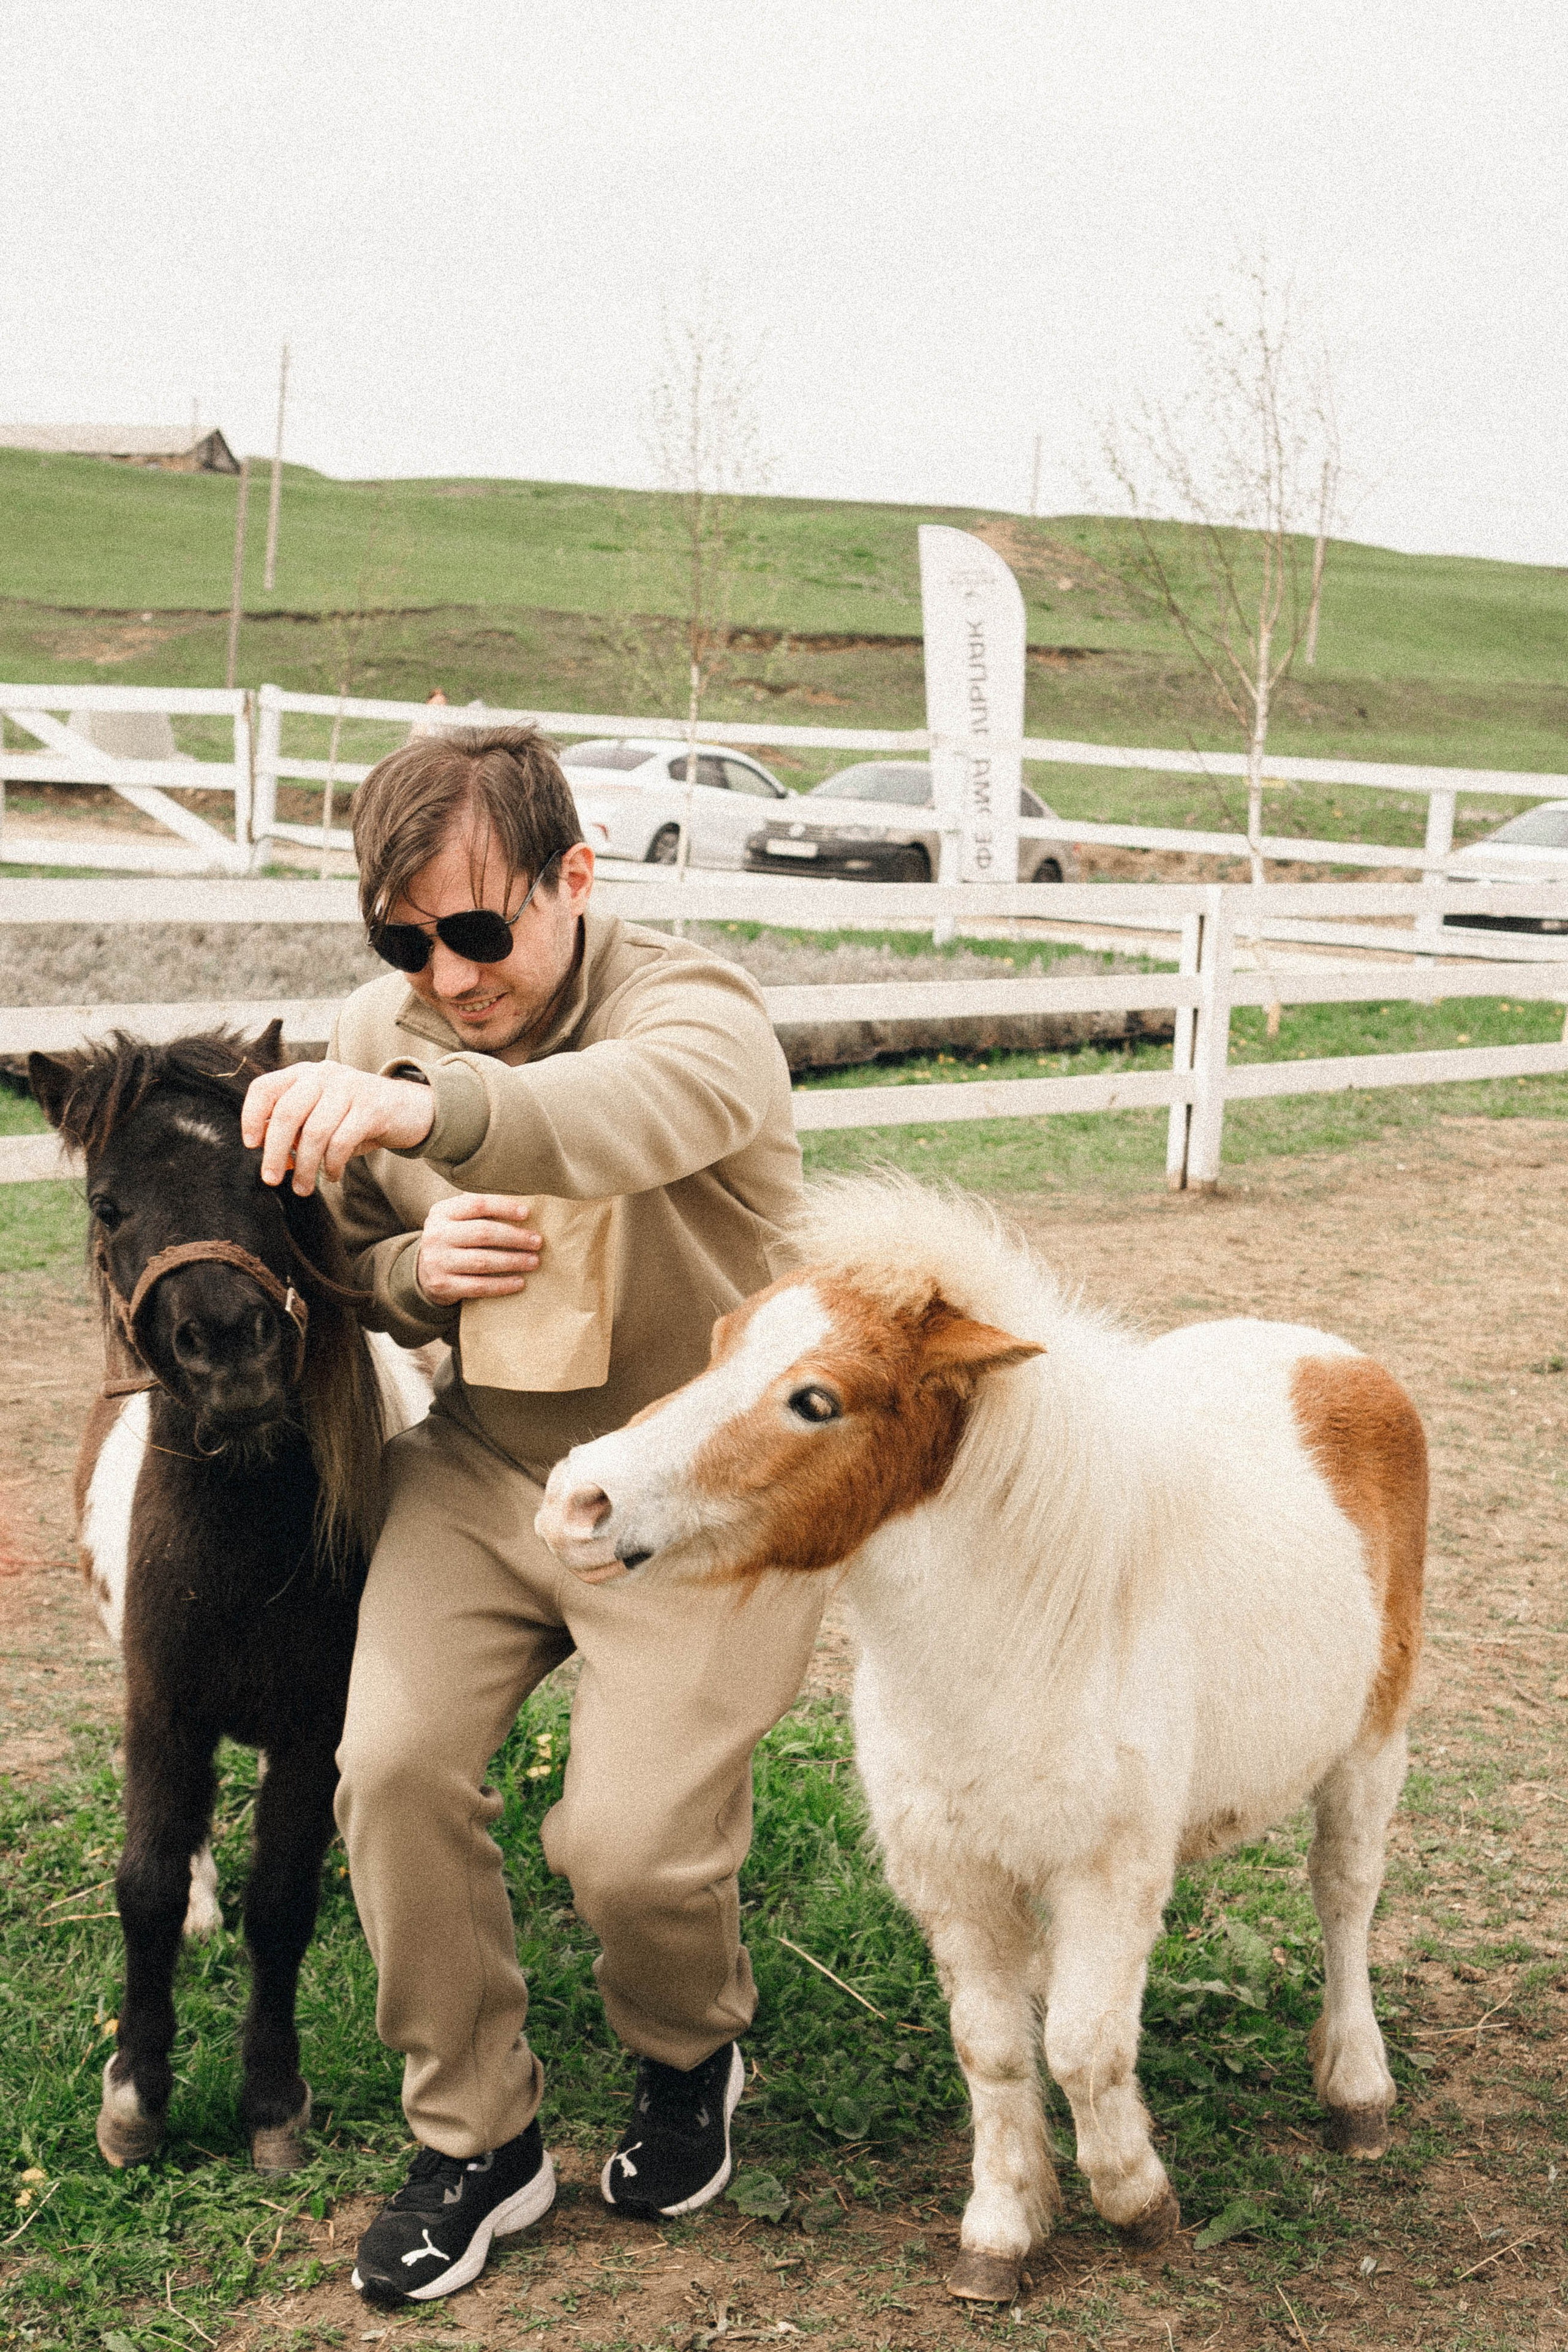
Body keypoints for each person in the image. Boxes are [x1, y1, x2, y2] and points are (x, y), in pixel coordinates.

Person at [241, 726, 821, 2309]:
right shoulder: (393, 1027)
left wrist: (421, 1109)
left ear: (578, 876)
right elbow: (345, 1248)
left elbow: (605, 1111)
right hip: (490, 1464)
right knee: (392, 1768)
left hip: (703, 1496)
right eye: (404, 942)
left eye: (481, 930)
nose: (448, 973)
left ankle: (691, 2054)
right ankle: (480, 2138)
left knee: (629, 1856)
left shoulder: (698, 1016)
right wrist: (404, 1280)